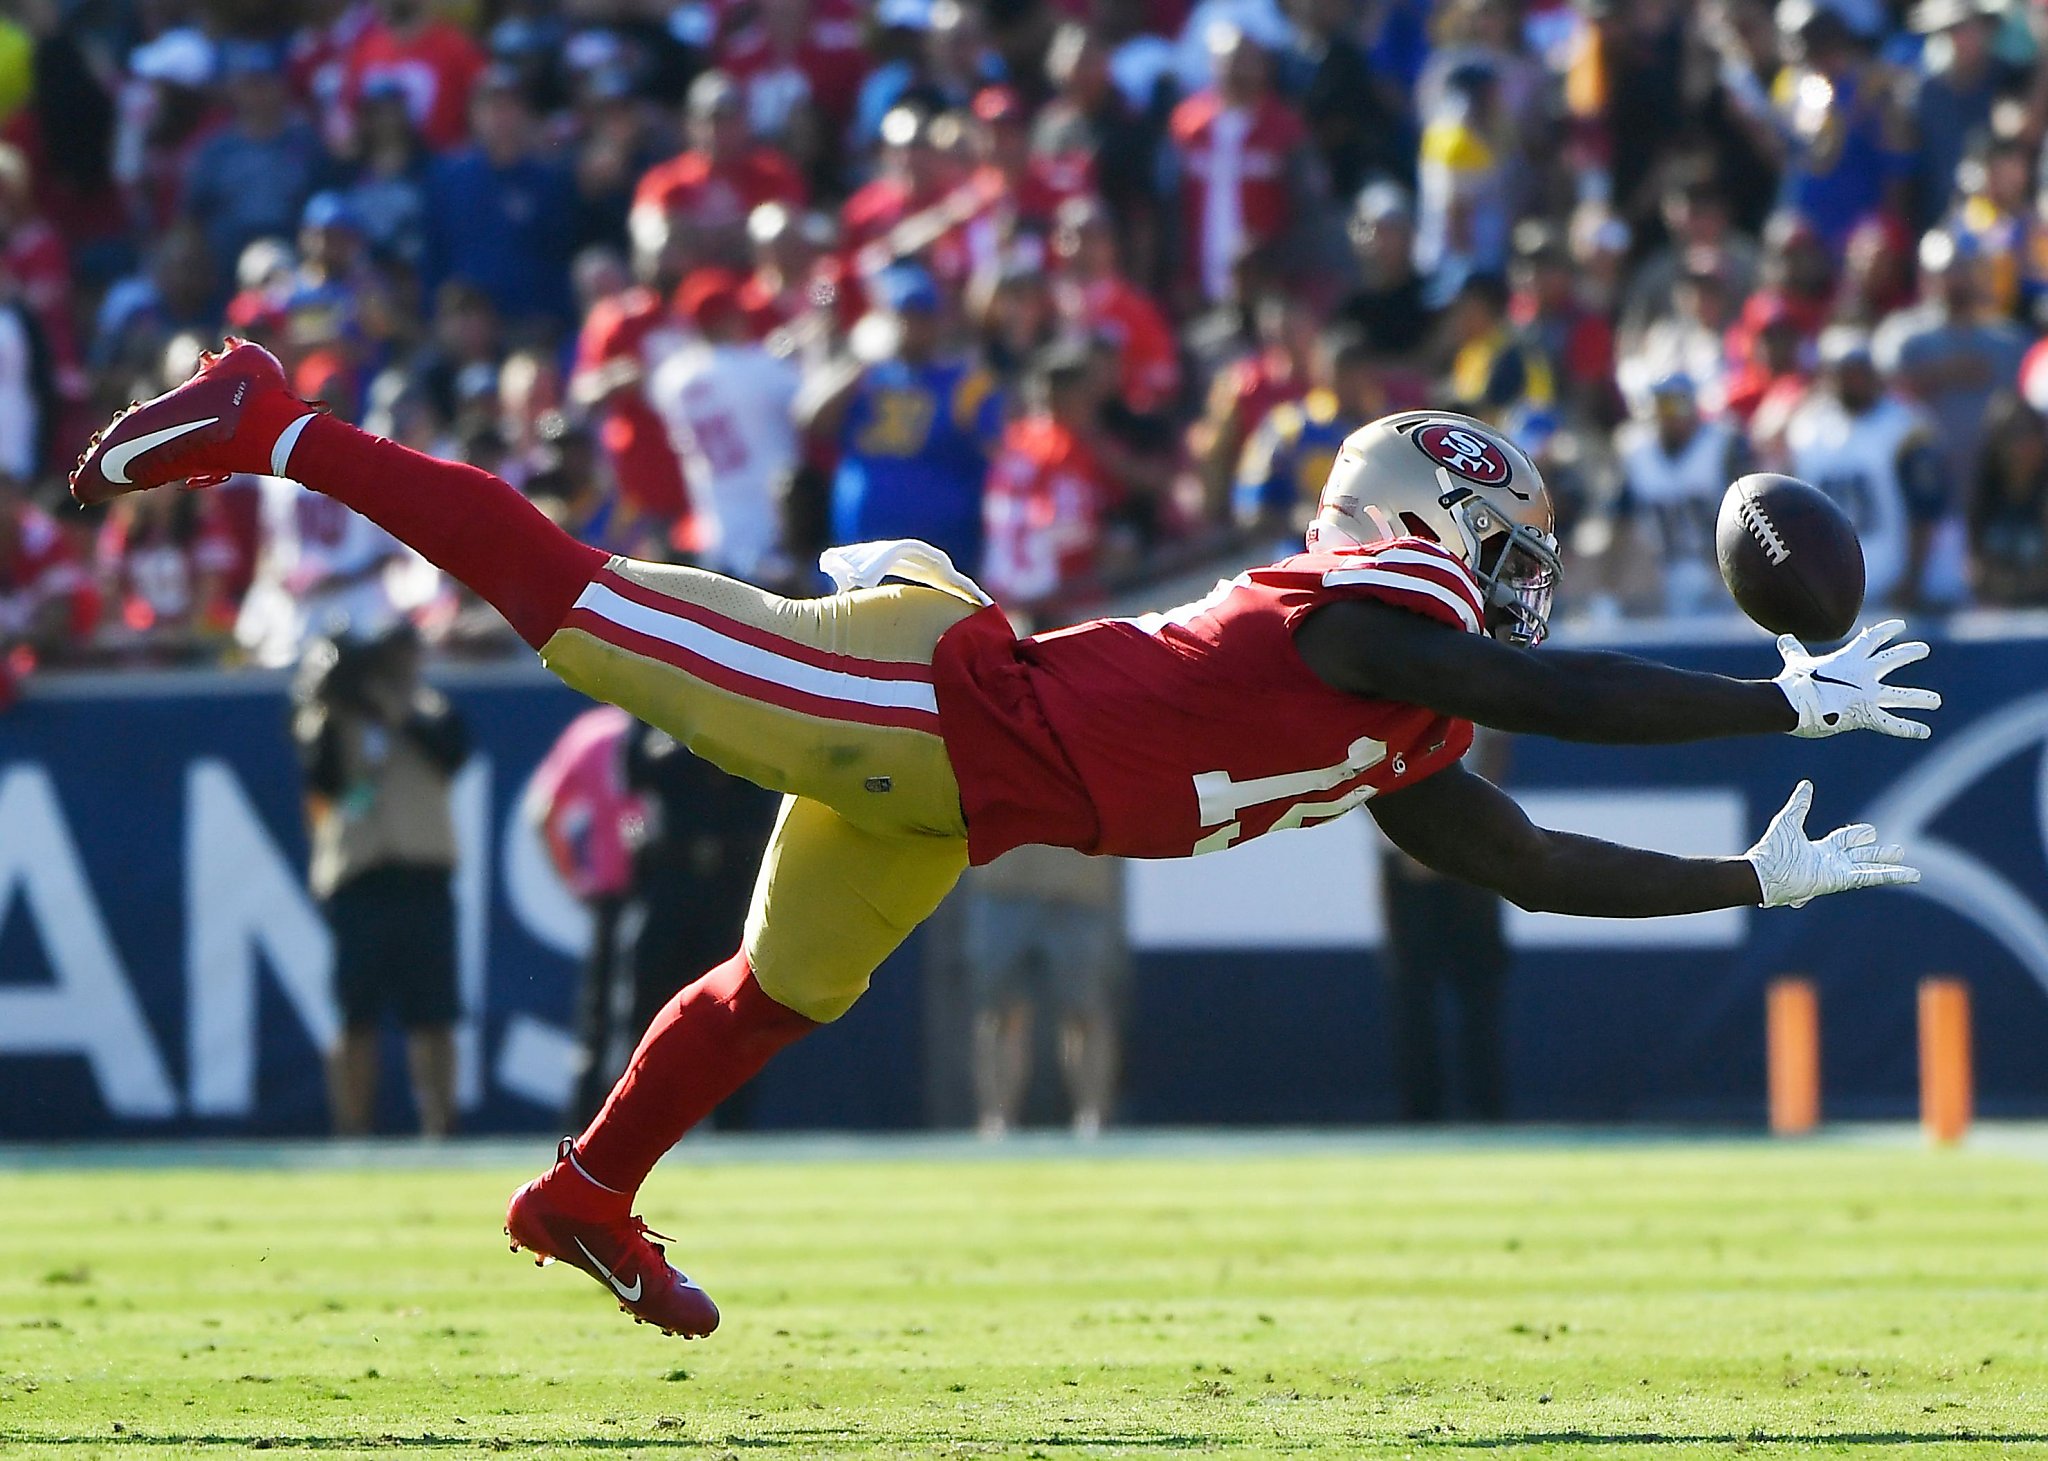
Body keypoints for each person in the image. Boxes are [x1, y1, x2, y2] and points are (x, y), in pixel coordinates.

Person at [74, 341, 1939, 1339]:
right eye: (1510, 550)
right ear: (1441, 518)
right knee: (581, 616)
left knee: (778, 986)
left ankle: (584, 1197)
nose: (1522, 589)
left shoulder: (1410, 720)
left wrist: (1743, 877)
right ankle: (279, 422)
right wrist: (1765, 699)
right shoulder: (1376, 611)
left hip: (961, 804)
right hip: (932, 706)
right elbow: (1532, 695)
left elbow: (1520, 856)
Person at [290, 622, 470, 1139]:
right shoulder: (331, 717)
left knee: (433, 1013)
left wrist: (396, 707)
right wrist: (335, 691)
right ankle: (353, 1129)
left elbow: (453, 752)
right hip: (359, 876)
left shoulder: (430, 708)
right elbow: (319, 772)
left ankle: (442, 1124)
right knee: (354, 1015)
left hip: (422, 873)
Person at [1379, 727, 1510, 1123]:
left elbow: (1496, 744)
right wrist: (1406, 842)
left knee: (1480, 983)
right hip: (1406, 857)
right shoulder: (1383, 677)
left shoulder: (1475, 672)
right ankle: (1420, 1111)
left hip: (1472, 851)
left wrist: (1464, 837)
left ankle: (1487, 1108)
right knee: (1412, 989)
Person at [1784, 327, 1946, 609]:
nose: (1852, 380)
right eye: (1844, 371)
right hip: (1829, 590)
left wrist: (1911, 580)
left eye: (1859, 370)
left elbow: (1925, 511)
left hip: (1892, 582)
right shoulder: (1806, 428)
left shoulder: (1905, 426)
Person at [1613, 374, 1750, 617]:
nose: (1671, 415)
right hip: (1659, 575)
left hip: (1717, 573)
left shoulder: (1723, 444)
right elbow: (1621, 526)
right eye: (1663, 405)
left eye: (1678, 404)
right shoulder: (1637, 452)